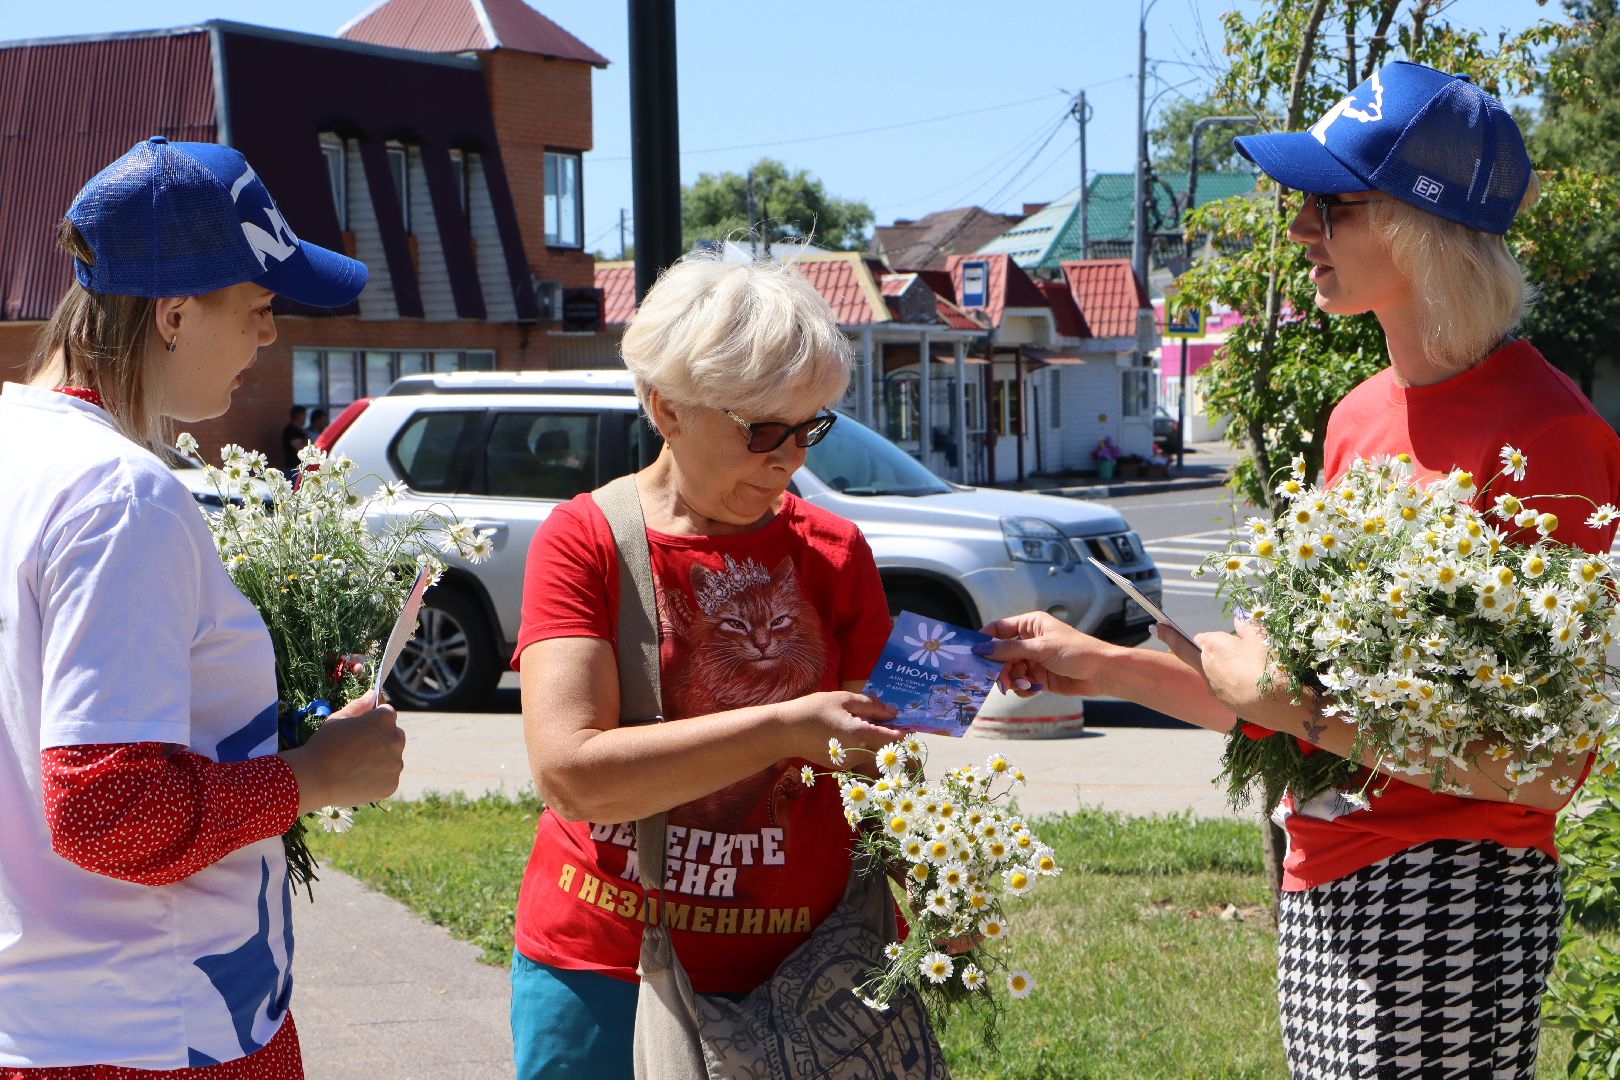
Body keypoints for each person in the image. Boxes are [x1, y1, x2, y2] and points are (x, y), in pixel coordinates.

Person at [979, 61, 1620, 1079]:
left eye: (1331, 203)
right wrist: (1098, 666)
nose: (1299, 231)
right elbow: (1282, 702)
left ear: (1423, 222)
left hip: (1453, 895)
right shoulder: (1359, 416)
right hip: (1325, 884)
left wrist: (1302, 712)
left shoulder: (1551, 440)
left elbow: (1542, 774)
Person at [0, 137, 405, 1076]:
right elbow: (107, 810)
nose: (271, 337)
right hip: (151, 1022)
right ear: (175, 314)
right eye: (260, 308)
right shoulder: (119, 493)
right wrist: (317, 774)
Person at [510, 250, 905, 1077]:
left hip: (808, 977)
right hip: (609, 970)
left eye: (812, 427)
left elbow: (880, 766)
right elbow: (572, 776)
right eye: (763, 430)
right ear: (666, 407)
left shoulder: (835, 551)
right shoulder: (587, 542)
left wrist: (934, 887)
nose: (791, 459)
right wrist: (785, 728)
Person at [281, 404, 309, 473]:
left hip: (302, 469)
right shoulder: (291, 430)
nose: (305, 418)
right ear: (298, 416)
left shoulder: (300, 430)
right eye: (304, 415)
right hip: (293, 469)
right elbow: (300, 448)